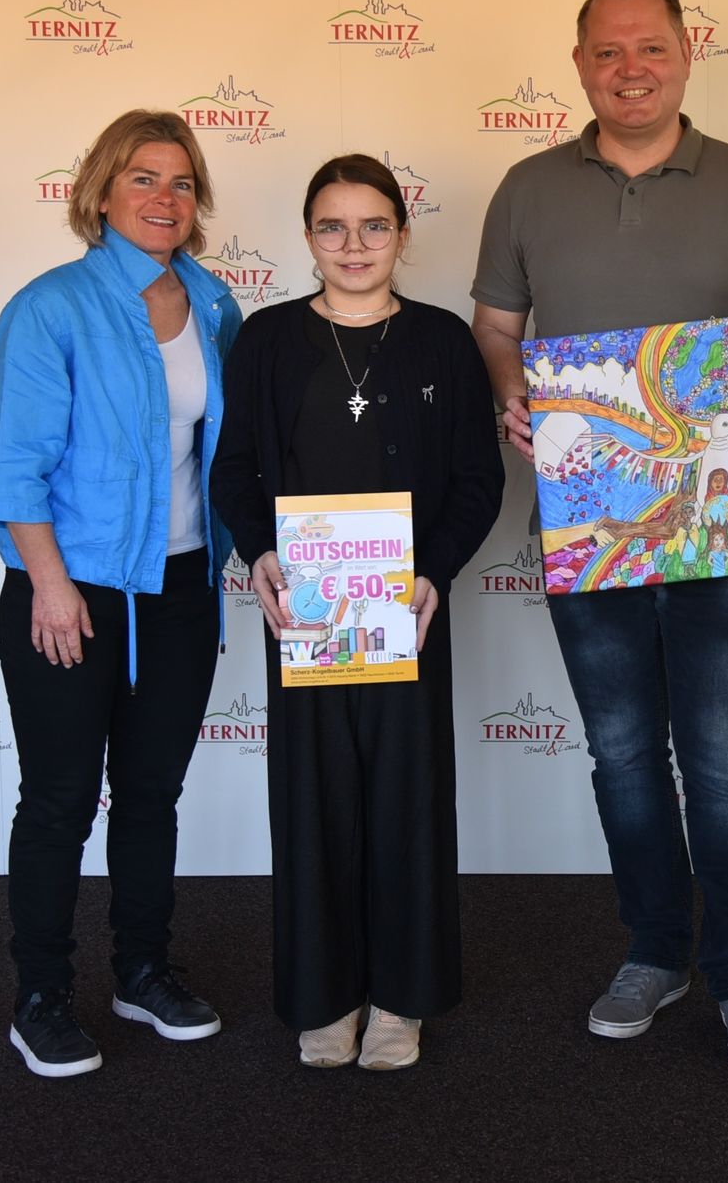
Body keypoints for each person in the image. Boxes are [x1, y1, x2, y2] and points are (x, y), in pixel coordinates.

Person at [471, 0, 728, 1073]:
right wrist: (510, 394)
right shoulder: (526, 187)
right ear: (579, 62)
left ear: (684, 54)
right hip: (588, 516)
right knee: (621, 751)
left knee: (720, 756)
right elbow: (495, 324)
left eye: (651, 48)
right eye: (609, 50)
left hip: (723, 525)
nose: (631, 68)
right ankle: (655, 952)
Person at [211, 154, 502, 1071]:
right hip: (305, 616)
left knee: (407, 800)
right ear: (307, 239)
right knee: (315, 800)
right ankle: (325, 998)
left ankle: (402, 1003)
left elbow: (477, 479)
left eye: (373, 226)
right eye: (332, 228)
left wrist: (436, 574)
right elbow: (234, 471)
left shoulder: (444, 342)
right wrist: (258, 553)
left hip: (405, 612)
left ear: (402, 235)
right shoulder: (265, 341)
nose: (354, 245)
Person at [0, 110, 242, 1078]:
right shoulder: (51, 308)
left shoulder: (215, 307)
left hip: (179, 590)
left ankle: (143, 969)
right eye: (142, 178)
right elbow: (16, 471)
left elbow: (227, 456)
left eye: (180, 182)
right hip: (73, 592)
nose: (163, 199)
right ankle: (41, 995)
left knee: (151, 795)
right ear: (100, 189)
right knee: (58, 801)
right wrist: (47, 584)